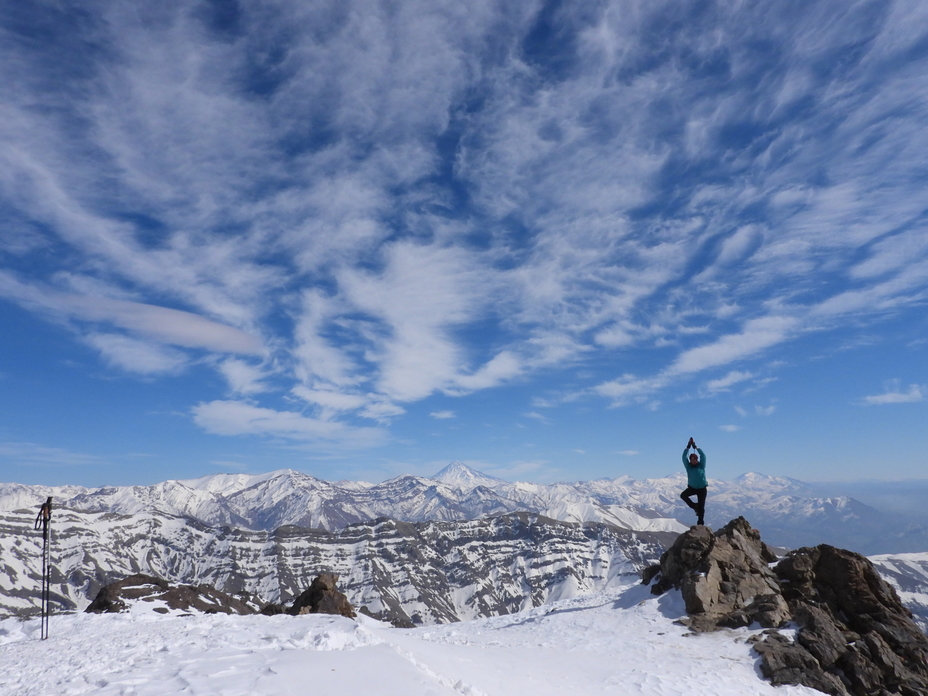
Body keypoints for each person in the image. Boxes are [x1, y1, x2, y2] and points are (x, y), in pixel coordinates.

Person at [680, 437, 707, 526]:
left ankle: (700, 523)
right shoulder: (688, 467)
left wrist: (695, 447)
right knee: (683, 495)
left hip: (702, 488)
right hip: (692, 488)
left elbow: (703, 455)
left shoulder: (701, 465)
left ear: (697, 459)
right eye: (691, 460)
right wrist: (687, 447)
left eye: (694, 459)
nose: (693, 461)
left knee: (701, 507)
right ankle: (694, 506)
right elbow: (684, 457)